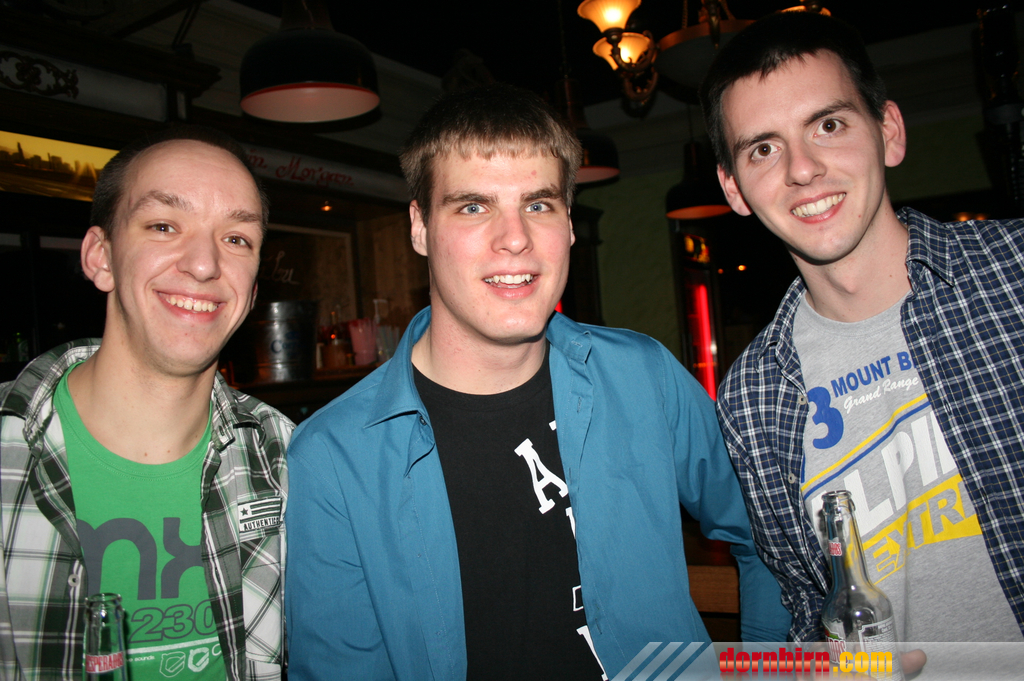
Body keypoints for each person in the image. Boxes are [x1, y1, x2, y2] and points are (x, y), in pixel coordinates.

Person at [285, 83, 789, 681]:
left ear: (569, 223)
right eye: (473, 207)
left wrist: (769, 665)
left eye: (539, 204)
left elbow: (770, 532)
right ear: (419, 227)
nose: (515, 238)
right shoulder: (334, 455)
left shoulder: (642, 376)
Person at [702, 10, 1024, 646]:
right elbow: (806, 611)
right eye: (763, 148)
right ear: (734, 189)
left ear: (889, 132)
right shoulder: (750, 397)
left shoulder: (1012, 276)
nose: (802, 168)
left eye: (828, 125)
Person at [0, 126, 292, 680]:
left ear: (253, 291)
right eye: (163, 226)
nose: (204, 264)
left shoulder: (288, 460)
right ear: (101, 257)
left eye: (237, 239)